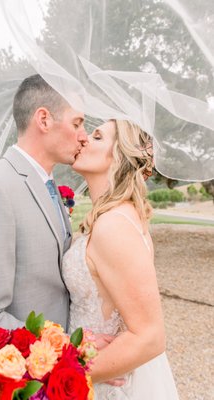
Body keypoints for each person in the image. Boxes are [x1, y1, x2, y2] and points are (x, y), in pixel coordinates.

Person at [0, 74, 88, 346]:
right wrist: (67, 349)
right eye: (77, 123)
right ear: (44, 119)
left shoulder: (48, 187)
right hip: (19, 384)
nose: (84, 137)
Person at [63, 119, 179, 399]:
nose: (84, 139)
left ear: (118, 157)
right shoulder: (114, 217)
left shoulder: (114, 225)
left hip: (104, 379)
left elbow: (150, 337)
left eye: (98, 137)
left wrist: (69, 373)